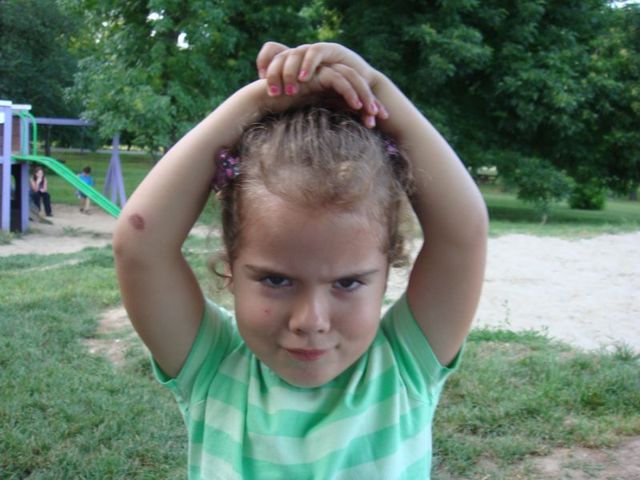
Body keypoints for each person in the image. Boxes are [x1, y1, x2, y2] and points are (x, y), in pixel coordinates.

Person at [113, 42, 488, 479]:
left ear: (387, 273)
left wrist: (374, 90)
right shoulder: (213, 366)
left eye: (347, 283)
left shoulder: (403, 365)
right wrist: (259, 99)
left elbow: (463, 235)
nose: (311, 321)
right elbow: (140, 243)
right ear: (231, 268)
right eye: (276, 280)